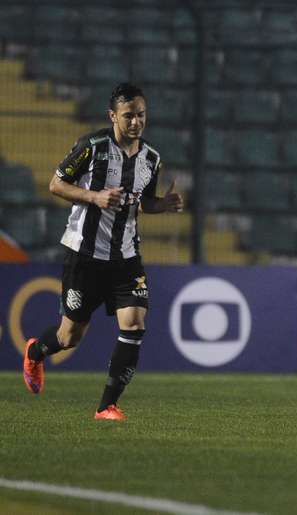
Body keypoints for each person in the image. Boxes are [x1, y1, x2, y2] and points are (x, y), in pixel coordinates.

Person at [22, 82, 183, 420]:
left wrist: (163, 204)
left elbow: (143, 203)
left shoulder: (151, 159)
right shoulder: (91, 147)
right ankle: (36, 352)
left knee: (135, 324)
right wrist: (95, 197)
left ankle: (107, 406)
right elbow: (55, 184)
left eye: (140, 115)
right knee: (69, 337)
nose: (136, 122)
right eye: (128, 116)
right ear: (113, 116)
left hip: (126, 257)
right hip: (84, 256)